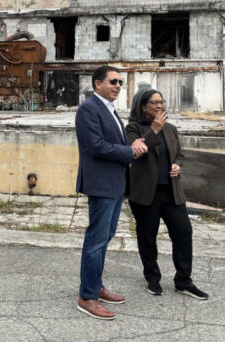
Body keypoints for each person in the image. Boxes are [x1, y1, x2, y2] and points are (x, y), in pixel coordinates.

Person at [75, 66, 148, 320]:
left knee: (104, 238)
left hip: (115, 183)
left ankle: (95, 286)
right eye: (113, 81)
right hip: (101, 184)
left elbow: (114, 142)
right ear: (98, 84)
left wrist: (132, 145)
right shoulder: (88, 109)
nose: (118, 85)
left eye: (119, 82)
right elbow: (96, 146)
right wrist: (130, 152)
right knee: (96, 240)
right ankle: (87, 297)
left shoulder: (109, 108)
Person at [126, 88, 208, 300]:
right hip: (146, 194)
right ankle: (153, 278)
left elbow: (179, 153)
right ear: (144, 106)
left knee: (183, 234)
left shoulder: (170, 129)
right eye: (154, 102)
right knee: (147, 237)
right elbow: (137, 151)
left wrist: (177, 165)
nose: (160, 106)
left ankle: (183, 281)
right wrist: (153, 129)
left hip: (171, 192)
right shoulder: (133, 128)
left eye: (161, 102)